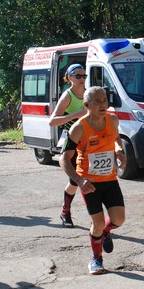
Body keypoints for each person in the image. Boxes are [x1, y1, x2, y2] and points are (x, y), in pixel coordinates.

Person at [59, 86, 127, 275]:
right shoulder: (79, 128)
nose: (102, 104)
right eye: (97, 101)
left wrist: (119, 151)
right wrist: (79, 181)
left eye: (104, 100)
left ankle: (105, 233)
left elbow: (115, 139)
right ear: (87, 105)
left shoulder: (112, 120)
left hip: (110, 179)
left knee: (119, 219)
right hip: (89, 182)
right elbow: (63, 159)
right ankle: (96, 259)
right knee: (96, 223)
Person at [49, 63, 87, 227]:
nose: (81, 79)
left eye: (84, 76)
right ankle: (65, 211)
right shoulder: (68, 96)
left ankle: (96, 215)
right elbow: (52, 121)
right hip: (71, 142)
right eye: (78, 76)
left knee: (93, 178)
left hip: (87, 143)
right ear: (69, 77)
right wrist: (75, 115)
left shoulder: (87, 94)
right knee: (74, 181)